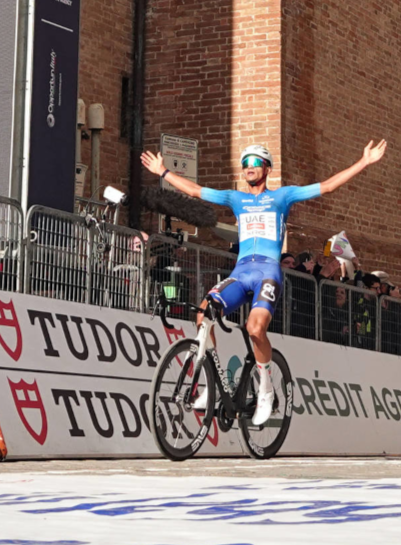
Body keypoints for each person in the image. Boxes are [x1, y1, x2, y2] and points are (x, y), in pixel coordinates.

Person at [141, 139, 387, 425]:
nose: (249, 167)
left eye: (255, 162)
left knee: (254, 329)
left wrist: (363, 162)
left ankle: (266, 390)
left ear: (267, 169)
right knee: (203, 314)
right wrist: (163, 172)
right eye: (245, 163)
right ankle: (210, 383)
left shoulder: (282, 196)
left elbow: (327, 186)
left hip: (268, 273)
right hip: (241, 273)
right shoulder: (236, 199)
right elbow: (196, 191)